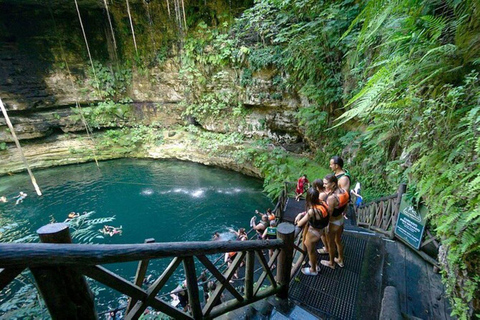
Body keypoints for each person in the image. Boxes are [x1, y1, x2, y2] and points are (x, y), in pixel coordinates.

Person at [294, 187, 329, 276]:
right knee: (311, 250)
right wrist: (301, 214)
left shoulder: (312, 211)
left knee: (311, 250)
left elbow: (300, 223)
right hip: (321, 230)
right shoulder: (323, 203)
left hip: (314, 233)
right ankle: (314, 263)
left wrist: (298, 220)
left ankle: (313, 269)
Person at [320, 174, 349, 269]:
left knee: (331, 244)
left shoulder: (332, 198)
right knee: (338, 241)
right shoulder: (344, 191)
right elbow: (346, 206)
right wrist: (344, 213)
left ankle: (331, 263)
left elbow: (329, 214)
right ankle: (340, 259)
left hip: (333, 223)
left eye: (325, 184)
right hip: (340, 220)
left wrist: (326, 226)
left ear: (333, 184)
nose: (324, 186)